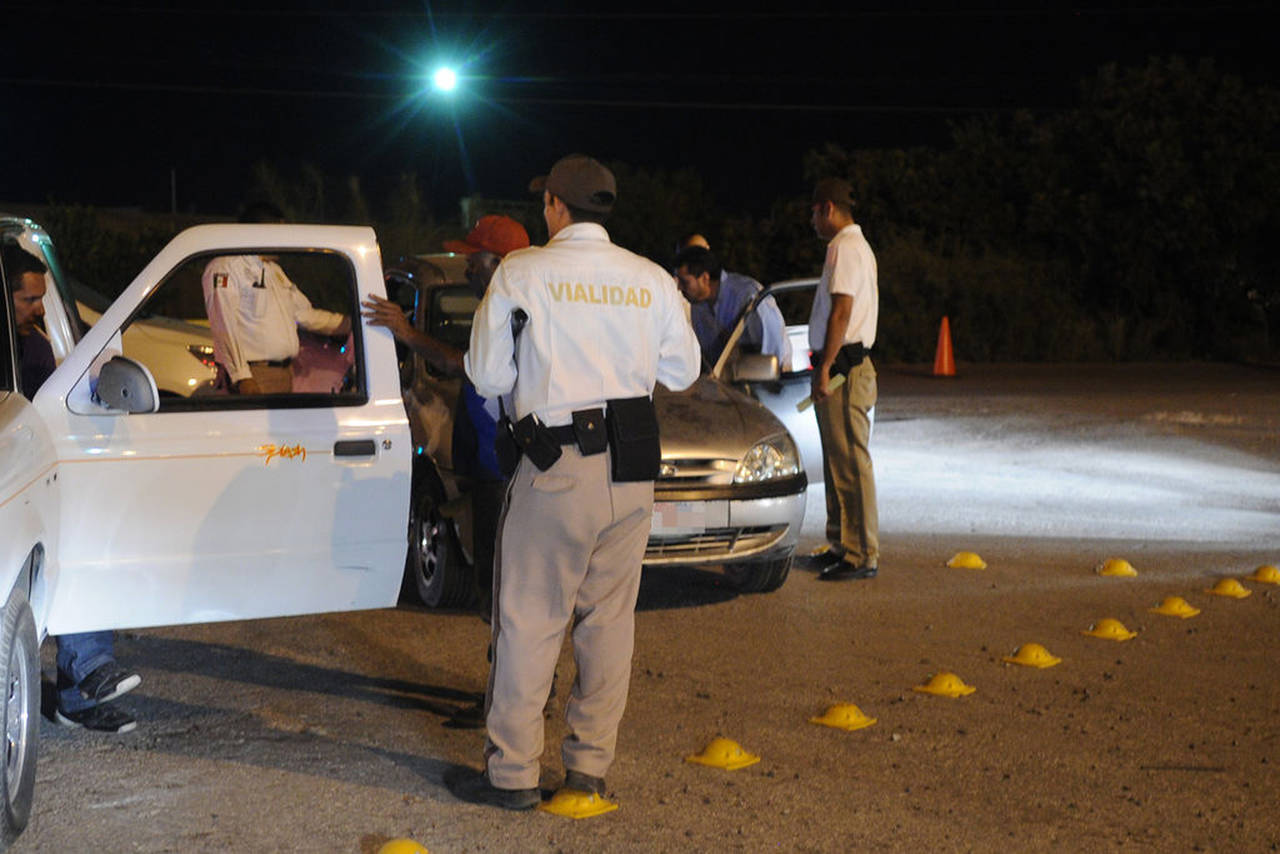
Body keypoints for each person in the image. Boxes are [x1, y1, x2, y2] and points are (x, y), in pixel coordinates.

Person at [447, 154, 700, 810]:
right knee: (609, 621)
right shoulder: (649, 278)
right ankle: (588, 769)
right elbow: (682, 371)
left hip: (556, 468)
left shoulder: (522, 271)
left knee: (530, 620)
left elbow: (488, 375)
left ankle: (512, 776)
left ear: (556, 206)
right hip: (632, 474)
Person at [361, 216, 531, 729]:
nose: (468, 268)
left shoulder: (515, 312)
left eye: (474, 260)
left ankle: (509, 702)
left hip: (502, 470)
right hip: (492, 466)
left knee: (504, 593)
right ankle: (517, 694)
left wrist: (407, 333)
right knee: (499, 589)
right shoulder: (503, 307)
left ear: (500, 264)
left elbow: (465, 366)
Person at [5, 246, 142, 733]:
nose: (38, 310)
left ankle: (82, 687)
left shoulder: (35, 346)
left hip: (37, 469)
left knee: (89, 539)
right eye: (28, 299)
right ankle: (85, 679)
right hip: (15, 476)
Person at [807, 178, 880, 581]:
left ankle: (861, 554)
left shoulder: (845, 247)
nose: (812, 220)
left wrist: (826, 366)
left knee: (850, 461)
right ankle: (841, 545)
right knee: (838, 460)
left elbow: (841, 312)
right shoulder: (853, 247)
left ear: (829, 209)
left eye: (815, 212)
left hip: (845, 369)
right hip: (842, 366)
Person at [201, 202, 351, 395]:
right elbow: (224, 325)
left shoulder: (275, 272)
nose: (285, 239)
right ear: (259, 232)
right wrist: (241, 377)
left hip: (284, 373)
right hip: (255, 376)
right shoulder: (226, 267)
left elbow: (305, 315)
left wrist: (352, 324)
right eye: (279, 232)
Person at [673, 244, 791, 369]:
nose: (679, 288)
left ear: (705, 278)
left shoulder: (748, 295)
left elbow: (774, 347)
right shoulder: (697, 306)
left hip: (768, 375)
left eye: (685, 282)